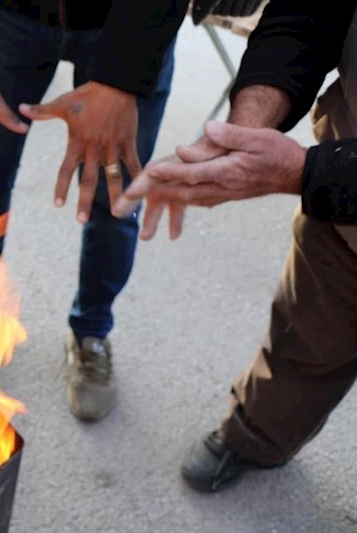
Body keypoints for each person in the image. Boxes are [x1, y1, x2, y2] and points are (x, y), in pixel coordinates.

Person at [0, 0, 185, 421]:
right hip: (6, 14)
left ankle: (92, 333)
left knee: (115, 194)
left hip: (126, 18)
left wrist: (126, 77)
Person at [113, 0, 357, 492]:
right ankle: (257, 437)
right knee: (308, 330)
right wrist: (243, 132)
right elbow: (312, 11)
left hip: (333, 173)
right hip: (343, 199)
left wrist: (305, 172)